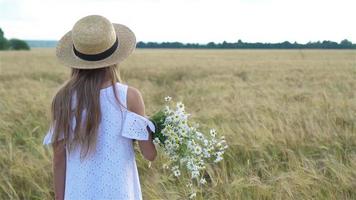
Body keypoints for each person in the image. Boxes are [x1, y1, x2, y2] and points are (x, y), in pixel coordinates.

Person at [42, 15, 157, 200]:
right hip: (120, 193)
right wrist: (155, 129)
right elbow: (149, 154)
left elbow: (58, 159)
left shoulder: (62, 99)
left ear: (76, 59)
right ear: (115, 57)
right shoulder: (130, 97)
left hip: (78, 193)